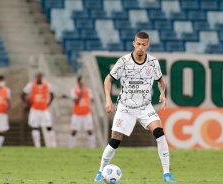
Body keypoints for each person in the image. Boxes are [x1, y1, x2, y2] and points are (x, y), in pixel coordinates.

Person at [94, 32, 176, 182]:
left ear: (148, 45)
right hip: (125, 107)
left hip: (145, 107)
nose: (140, 47)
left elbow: (160, 81)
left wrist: (162, 93)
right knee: (115, 141)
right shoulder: (124, 61)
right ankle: (100, 171)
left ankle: (166, 174)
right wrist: (108, 100)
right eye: (138, 44)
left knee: (160, 134)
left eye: (143, 44)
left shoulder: (153, 62)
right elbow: (108, 79)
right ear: (134, 43)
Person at [21, 72, 56, 148]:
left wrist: (49, 103)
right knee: (35, 127)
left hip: (44, 109)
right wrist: (27, 102)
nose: (39, 78)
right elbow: (23, 94)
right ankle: (37, 145)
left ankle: (53, 144)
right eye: (38, 76)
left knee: (49, 126)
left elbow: (52, 94)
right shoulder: (31, 85)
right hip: (35, 109)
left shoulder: (47, 85)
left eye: (41, 76)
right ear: (36, 77)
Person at [68, 76, 96, 148]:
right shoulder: (74, 91)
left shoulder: (88, 90)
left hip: (86, 113)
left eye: (83, 82)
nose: (82, 83)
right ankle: (71, 147)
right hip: (77, 114)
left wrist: (90, 106)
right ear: (78, 82)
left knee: (89, 130)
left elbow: (92, 99)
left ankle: (93, 147)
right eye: (80, 82)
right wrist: (81, 93)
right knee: (74, 131)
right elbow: (76, 102)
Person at [0, 75, 10, 147]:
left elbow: (8, 100)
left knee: (2, 130)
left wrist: (8, 109)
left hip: (3, 113)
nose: (1, 82)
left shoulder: (7, 90)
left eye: (2, 80)